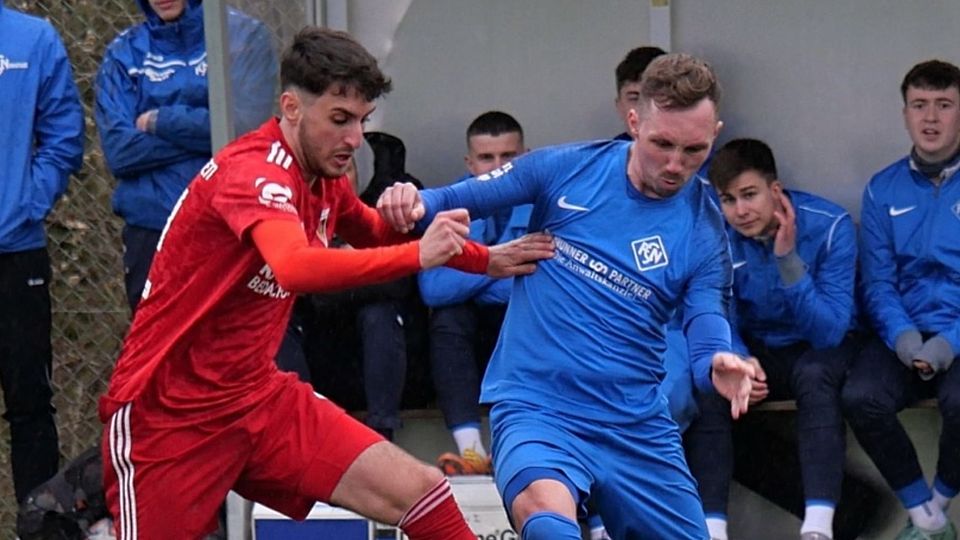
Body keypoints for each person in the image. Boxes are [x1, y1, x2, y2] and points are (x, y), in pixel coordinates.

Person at [98, 27, 554, 539]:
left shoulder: (324, 176)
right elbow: (295, 267)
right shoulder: (253, 173)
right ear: (291, 107)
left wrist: (483, 259)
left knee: (423, 491)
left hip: (257, 398)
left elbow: (376, 231)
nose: (355, 139)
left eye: (362, 121)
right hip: (172, 415)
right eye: (340, 120)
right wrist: (420, 252)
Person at [378, 53, 758, 540]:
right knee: (548, 520)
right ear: (634, 119)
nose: (674, 164)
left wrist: (717, 363)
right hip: (538, 406)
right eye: (662, 144)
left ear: (715, 133)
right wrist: (411, 200)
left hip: (635, 424)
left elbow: (706, 319)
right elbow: (454, 198)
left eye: (694, 150)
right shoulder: (567, 170)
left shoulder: (704, 227)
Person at [683, 138, 858, 540]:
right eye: (728, 200)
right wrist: (739, 358)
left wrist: (787, 259)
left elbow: (828, 331)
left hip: (824, 347)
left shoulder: (829, 224)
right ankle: (712, 530)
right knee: (711, 385)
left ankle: (818, 527)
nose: (740, 211)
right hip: (760, 348)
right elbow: (718, 314)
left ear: (774, 191)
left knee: (816, 377)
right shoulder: (715, 236)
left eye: (749, 195)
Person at [842, 59, 960, 540]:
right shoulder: (881, 188)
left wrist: (948, 343)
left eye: (944, 105)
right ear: (905, 114)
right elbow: (878, 283)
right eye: (919, 105)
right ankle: (923, 513)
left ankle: (939, 503)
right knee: (860, 396)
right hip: (902, 333)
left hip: (956, 332)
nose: (930, 118)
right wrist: (905, 338)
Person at [95, 0, 277, 312]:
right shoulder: (123, 53)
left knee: (234, 351)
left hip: (231, 224)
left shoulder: (246, 38)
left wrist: (162, 121)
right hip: (152, 228)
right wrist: (208, 132)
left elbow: (246, 129)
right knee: (160, 355)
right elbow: (120, 151)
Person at [0, 1, 84, 502]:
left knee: (30, 405)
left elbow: (63, 138)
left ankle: (39, 526)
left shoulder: (33, 38)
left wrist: (26, 205)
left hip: (17, 255)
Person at [419, 111, 530, 475]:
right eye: (486, 158)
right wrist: (497, 262)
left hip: (518, 325)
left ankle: (520, 447)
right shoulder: (450, 205)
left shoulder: (544, 201)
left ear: (525, 156)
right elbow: (434, 290)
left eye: (508, 157)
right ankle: (471, 453)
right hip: (466, 333)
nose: (498, 168)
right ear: (470, 162)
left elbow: (542, 277)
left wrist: (467, 267)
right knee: (448, 320)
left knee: (531, 314)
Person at [613, 45, 667, 141]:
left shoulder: (698, 153)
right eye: (635, 98)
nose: (645, 110)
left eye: (658, 97)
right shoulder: (609, 154)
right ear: (619, 106)